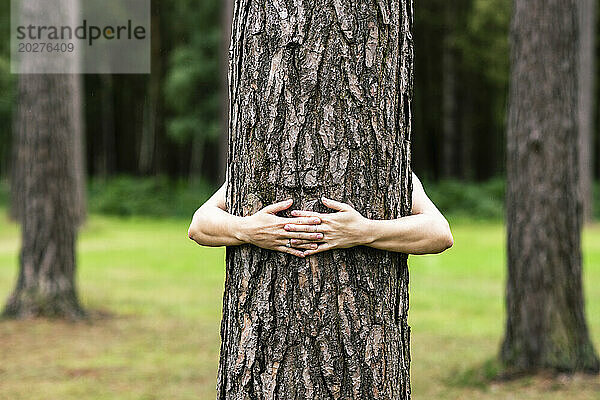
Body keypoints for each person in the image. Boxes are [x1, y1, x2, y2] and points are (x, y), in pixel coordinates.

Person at [188, 173, 453, 257]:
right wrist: (246, 230)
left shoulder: (389, 166)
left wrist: (365, 232)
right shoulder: (258, 164)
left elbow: (439, 234)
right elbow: (199, 225)